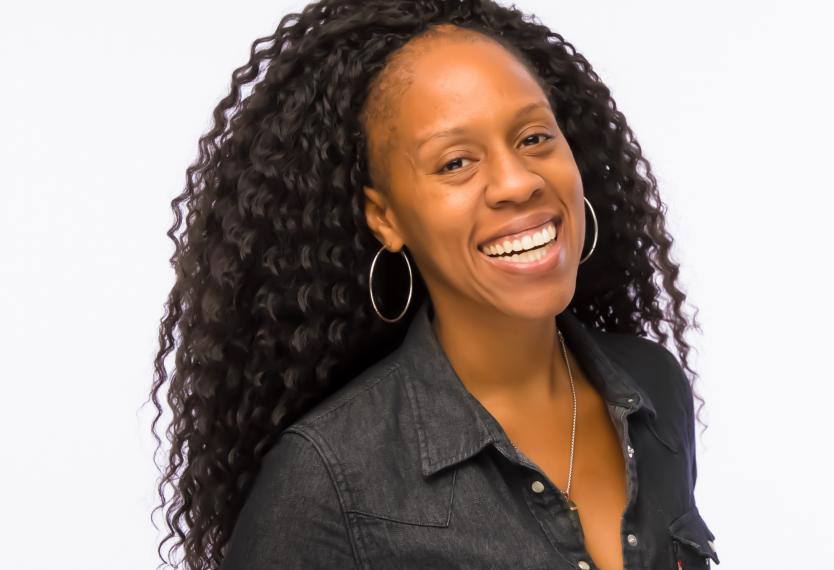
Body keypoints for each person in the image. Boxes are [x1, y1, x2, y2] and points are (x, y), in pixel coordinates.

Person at [150, 1, 719, 568]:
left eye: (534, 138)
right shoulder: (328, 481)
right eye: (455, 163)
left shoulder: (654, 391)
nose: (518, 183)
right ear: (385, 217)